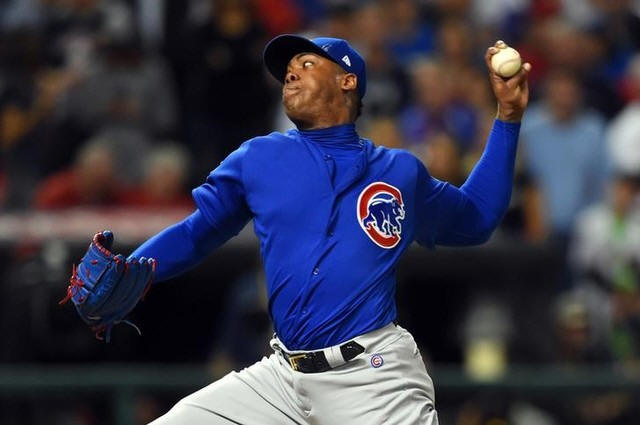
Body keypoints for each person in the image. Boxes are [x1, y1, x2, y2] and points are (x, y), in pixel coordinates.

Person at [65, 35, 530, 424]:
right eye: (287, 70)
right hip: (282, 378)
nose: (290, 74)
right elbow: (196, 232)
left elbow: (476, 218)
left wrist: (507, 119)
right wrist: (138, 266)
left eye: (306, 64)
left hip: (373, 376)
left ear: (348, 81)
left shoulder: (399, 173)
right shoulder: (258, 158)